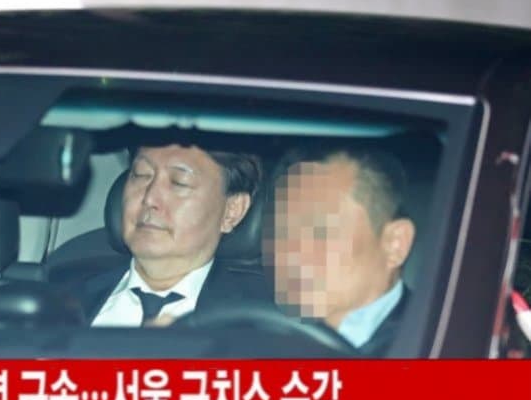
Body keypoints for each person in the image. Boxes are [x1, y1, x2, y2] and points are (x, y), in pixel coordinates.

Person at [81, 143, 263, 327]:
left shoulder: (260, 323)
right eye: (141, 175)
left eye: (179, 182)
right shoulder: (68, 297)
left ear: (232, 211)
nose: (149, 198)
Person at [265, 144, 415, 354]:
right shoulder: (248, 327)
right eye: (283, 231)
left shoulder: (440, 343)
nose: (290, 253)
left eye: (320, 231)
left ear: (395, 243)